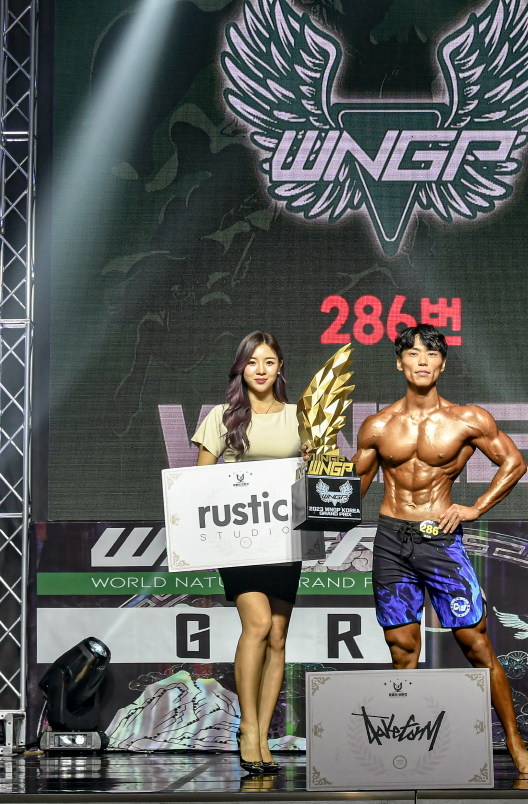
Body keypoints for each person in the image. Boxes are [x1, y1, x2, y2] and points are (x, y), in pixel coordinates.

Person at [352, 323, 528, 776]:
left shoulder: (467, 419)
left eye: (431, 353)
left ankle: (515, 743)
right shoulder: (377, 425)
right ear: (399, 363)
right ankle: (405, 751)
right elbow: (350, 493)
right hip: (391, 539)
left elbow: (514, 463)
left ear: (441, 364)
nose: (422, 360)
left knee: (475, 643)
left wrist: (475, 507)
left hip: (440, 538)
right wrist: (319, 473)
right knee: (401, 647)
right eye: (412, 353)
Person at [191, 331, 302, 775]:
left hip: (286, 538)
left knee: (278, 636)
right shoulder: (222, 417)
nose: (261, 369)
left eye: (269, 361)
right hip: (238, 537)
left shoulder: (300, 416)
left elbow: (318, 470)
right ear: (241, 368)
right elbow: (199, 483)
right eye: (253, 361)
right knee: (257, 623)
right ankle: (249, 729)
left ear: (280, 368)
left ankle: (263, 735)